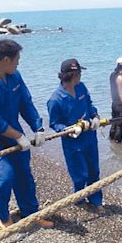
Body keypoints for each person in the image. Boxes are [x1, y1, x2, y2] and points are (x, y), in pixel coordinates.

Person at [0, 39, 54, 229]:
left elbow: (26, 102)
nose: (18, 63)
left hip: (13, 130)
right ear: (6, 60)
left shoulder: (15, 76)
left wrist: (38, 128)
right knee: (5, 176)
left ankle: (30, 213)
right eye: (17, 59)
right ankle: (4, 217)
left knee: (24, 174)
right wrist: (18, 136)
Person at [47, 59, 104, 212]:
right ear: (73, 75)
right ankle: (79, 199)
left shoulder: (81, 88)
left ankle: (96, 200)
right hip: (73, 142)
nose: (80, 76)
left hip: (89, 137)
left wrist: (95, 116)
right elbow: (54, 123)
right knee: (80, 173)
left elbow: (89, 104)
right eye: (79, 73)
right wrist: (68, 130)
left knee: (94, 170)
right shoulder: (55, 100)